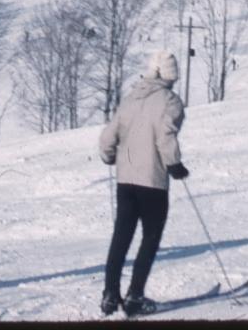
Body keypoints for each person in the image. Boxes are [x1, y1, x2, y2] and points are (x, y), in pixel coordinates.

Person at [97, 50, 188, 318]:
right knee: (150, 237)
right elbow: (165, 135)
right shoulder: (171, 101)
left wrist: (109, 156)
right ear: (171, 74)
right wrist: (174, 165)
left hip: (125, 180)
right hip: (152, 181)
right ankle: (135, 296)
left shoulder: (130, 97)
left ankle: (110, 294)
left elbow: (107, 138)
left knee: (121, 236)